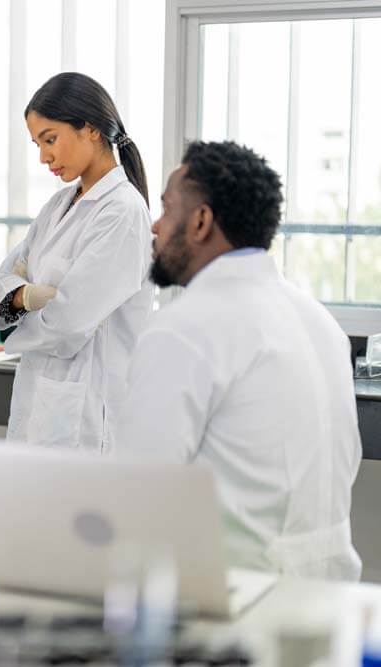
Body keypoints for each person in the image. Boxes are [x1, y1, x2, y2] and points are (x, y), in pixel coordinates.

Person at [115, 141, 362, 580]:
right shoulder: (319, 321)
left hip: (238, 601)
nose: (155, 225)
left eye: (167, 209)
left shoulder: (183, 328)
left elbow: (138, 498)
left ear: (201, 221)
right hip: (331, 598)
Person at [0, 72, 152, 452]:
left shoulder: (122, 212)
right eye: (37, 144)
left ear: (91, 129)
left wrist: (23, 297)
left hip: (87, 417)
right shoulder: (58, 205)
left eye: (50, 139)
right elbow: (1, 280)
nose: (44, 156)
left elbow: (68, 324)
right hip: (40, 404)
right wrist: (25, 297)